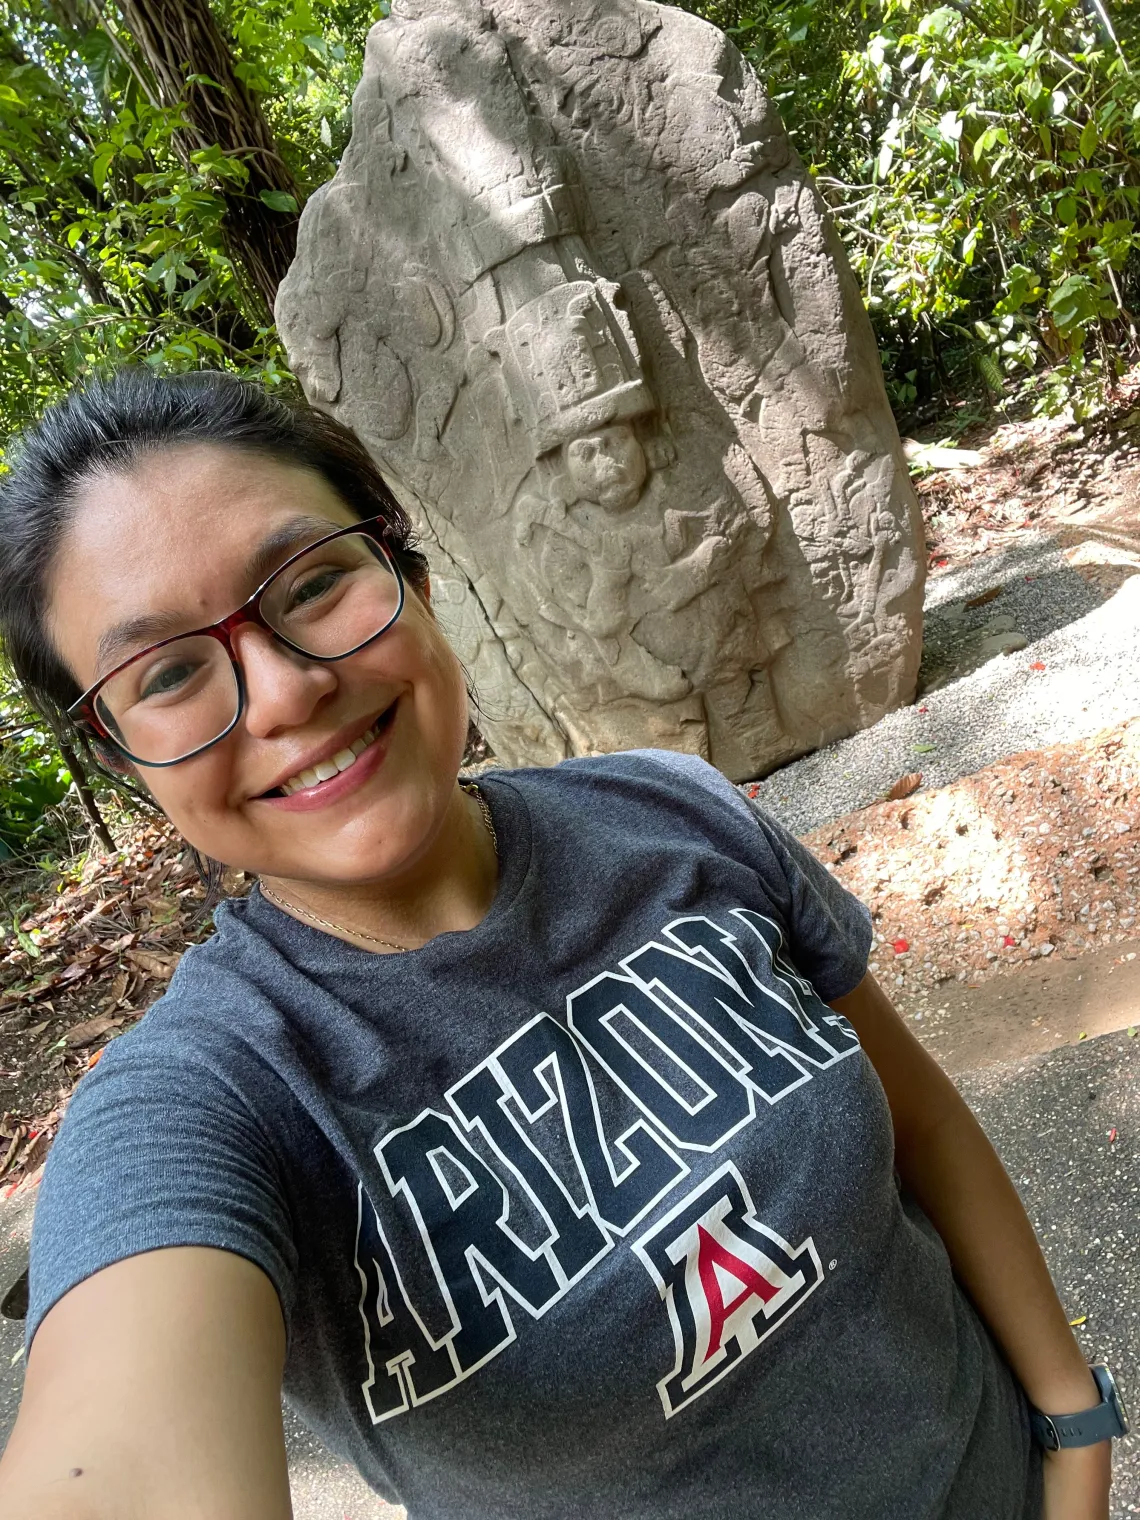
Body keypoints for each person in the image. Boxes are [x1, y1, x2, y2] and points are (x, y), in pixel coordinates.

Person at [0, 370, 1120, 1520]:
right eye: (171, 671)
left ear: (411, 576)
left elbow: (921, 1119)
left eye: (312, 581)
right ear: (129, 763)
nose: (286, 688)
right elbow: (113, 1458)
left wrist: (1071, 1423)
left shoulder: (676, 810)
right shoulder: (204, 1100)